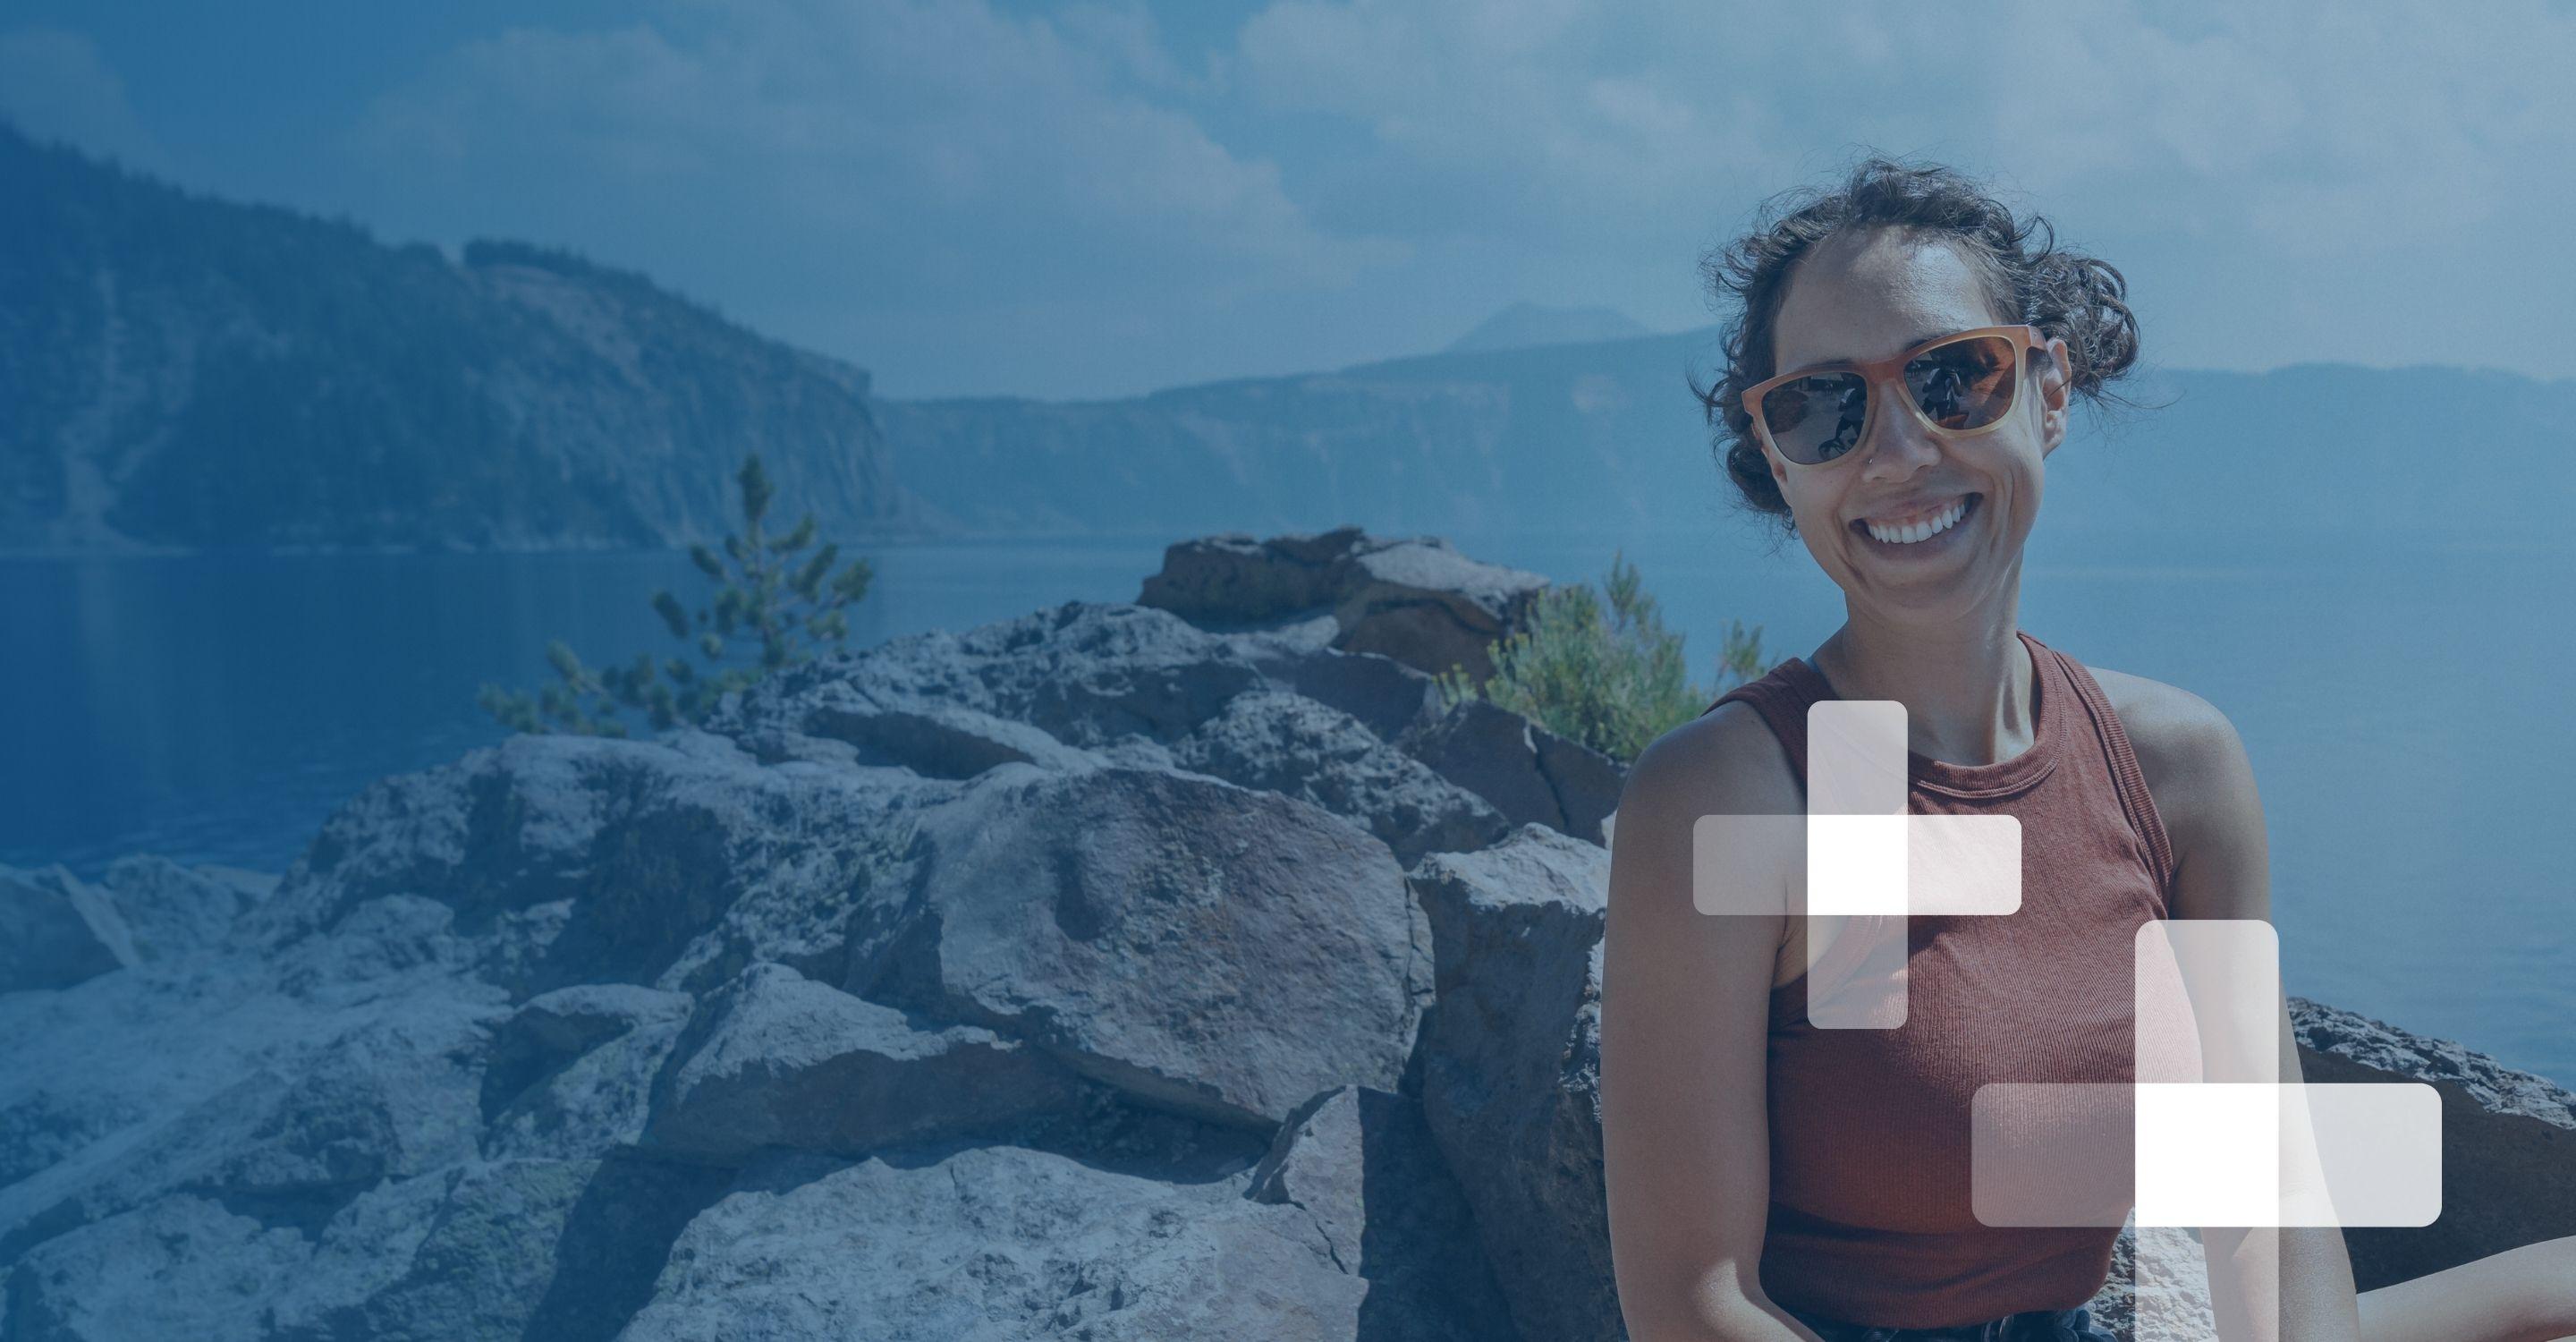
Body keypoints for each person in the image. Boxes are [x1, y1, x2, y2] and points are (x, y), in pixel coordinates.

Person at [1598, 157, 2576, 1342]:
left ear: (2047, 388)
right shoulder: (1747, 794)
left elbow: (2261, 1211)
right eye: (1822, 408)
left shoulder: (2173, 769)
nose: (1897, 451)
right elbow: (1694, 1307)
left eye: (1953, 376)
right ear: (1779, 462)